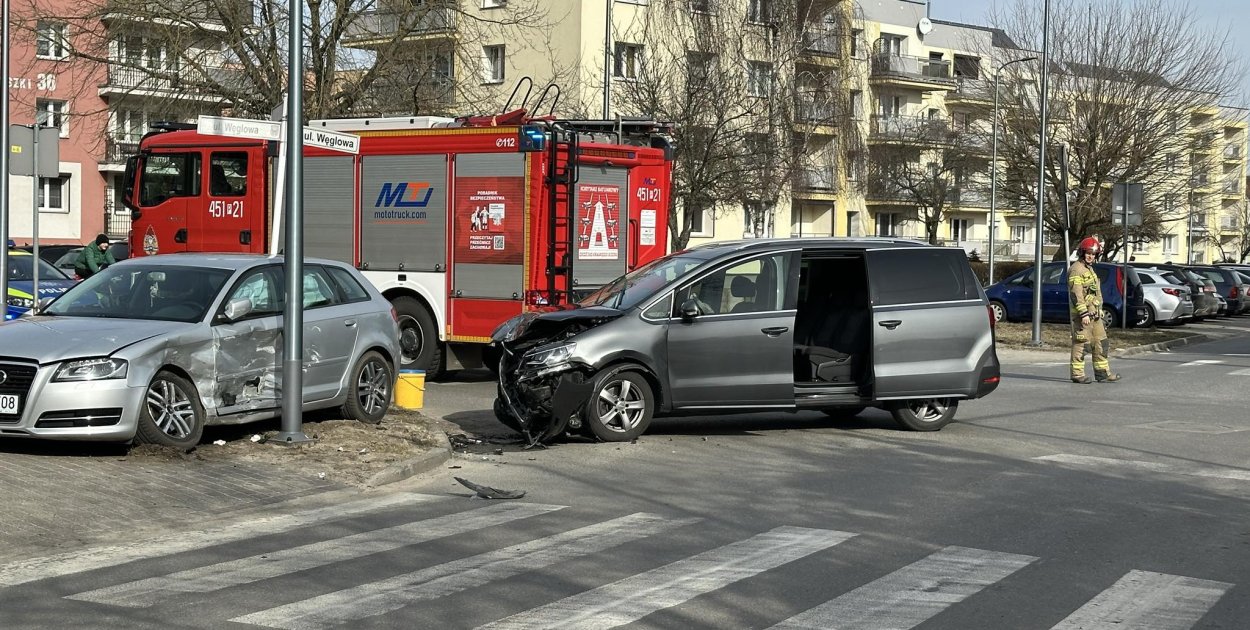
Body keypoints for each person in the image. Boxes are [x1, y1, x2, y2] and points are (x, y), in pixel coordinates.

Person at [1069, 236, 1120, 384]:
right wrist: (1083, 313)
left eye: (1094, 254)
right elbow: (1076, 293)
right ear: (1082, 253)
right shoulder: (1076, 270)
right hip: (1082, 316)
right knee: (1081, 344)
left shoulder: (1089, 269)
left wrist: (1099, 309)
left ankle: (1103, 373)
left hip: (1095, 315)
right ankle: (1077, 375)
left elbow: (1095, 292)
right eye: (1088, 253)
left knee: (1101, 343)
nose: (1091, 256)